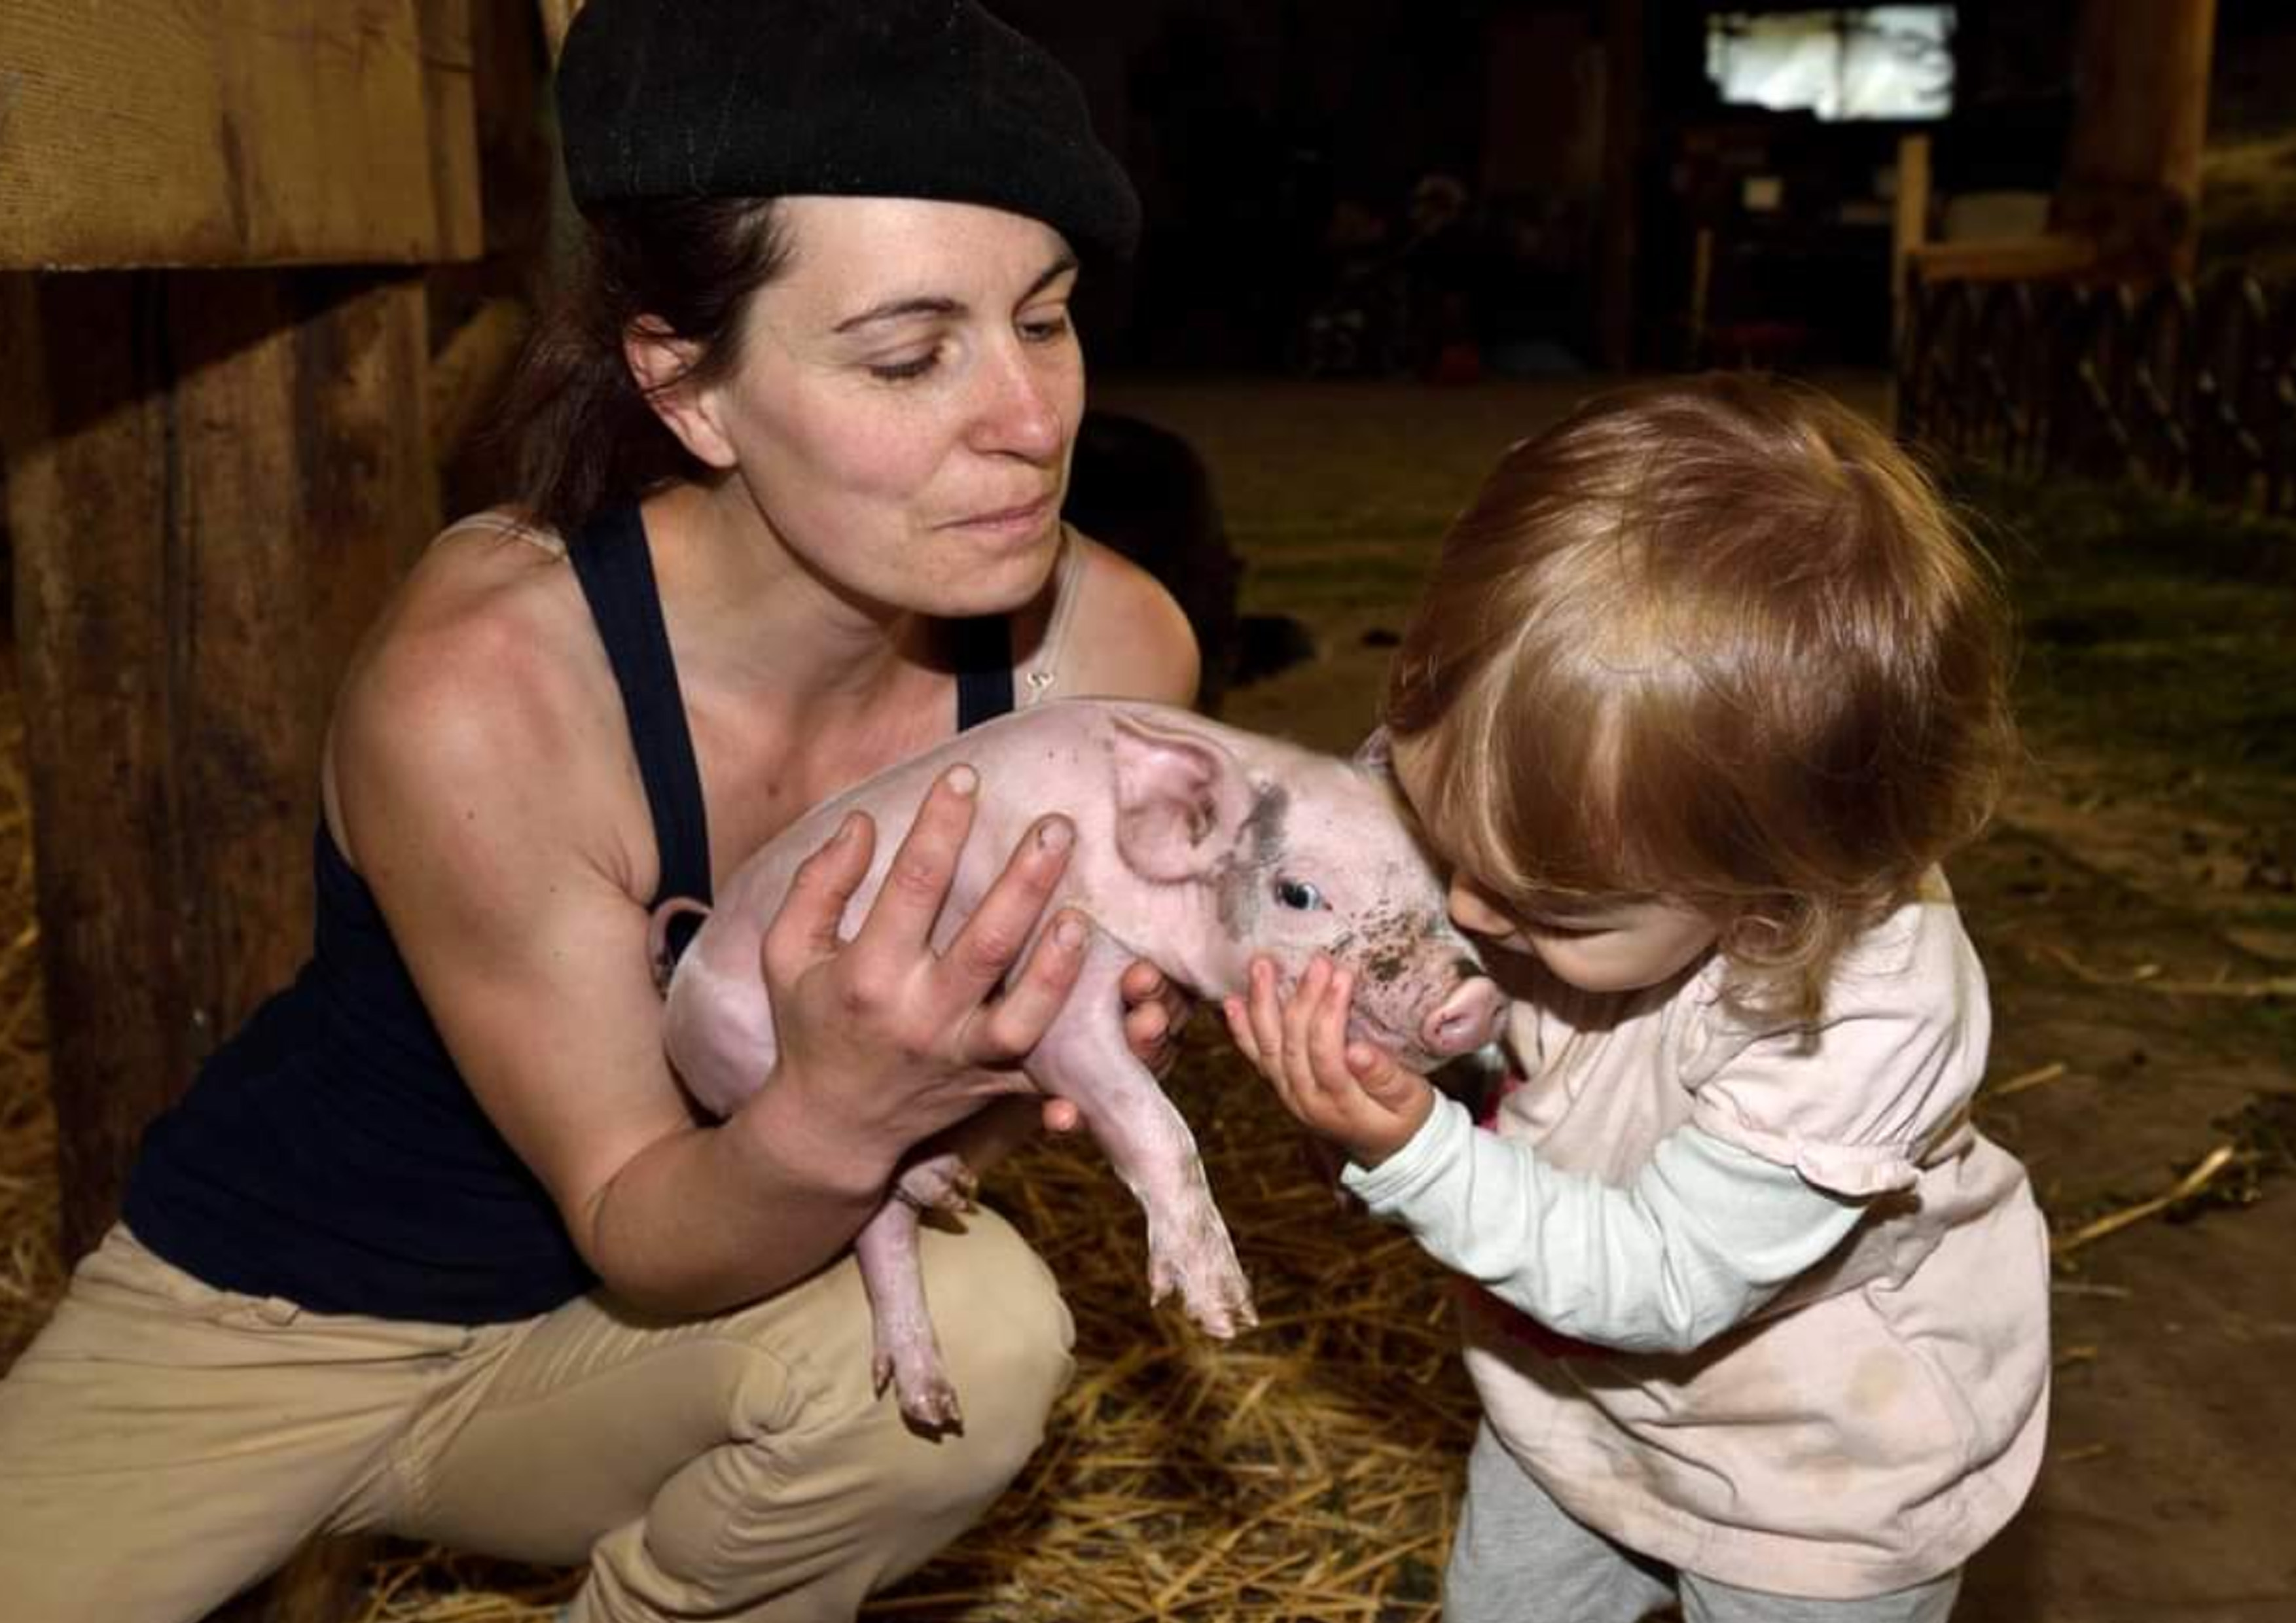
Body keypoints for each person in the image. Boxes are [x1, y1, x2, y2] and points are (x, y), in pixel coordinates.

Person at [0, 3, 1198, 1620]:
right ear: (686, 391)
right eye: (910, 356)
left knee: (969, 1347)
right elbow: (642, 1214)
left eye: (1042, 323)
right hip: (273, 1317)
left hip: (691, 1334)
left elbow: (912, 1144)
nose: (1028, 420)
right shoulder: (493, 679)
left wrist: (1035, 1060)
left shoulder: (1106, 667)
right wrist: (860, 1104)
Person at [1227, 374, 2046, 1622]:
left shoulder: (1859, 1018)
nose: (1472, 919)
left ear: (1774, 892)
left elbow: (1657, 1279)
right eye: (1450, 848)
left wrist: (1417, 1151)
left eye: (1548, 911)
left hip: (1817, 1480)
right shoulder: (1551, 816)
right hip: (1573, 1414)